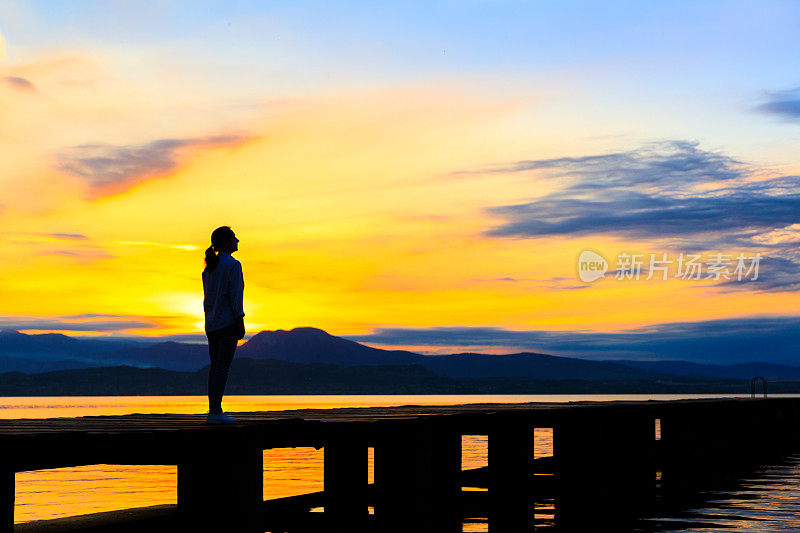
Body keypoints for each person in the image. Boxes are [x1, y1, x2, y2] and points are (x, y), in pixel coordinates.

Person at [202, 226, 245, 424]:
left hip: (211, 325)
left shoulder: (209, 268)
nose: (237, 241)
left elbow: (208, 299)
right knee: (222, 367)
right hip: (227, 324)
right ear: (227, 242)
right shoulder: (233, 265)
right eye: (234, 238)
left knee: (215, 367)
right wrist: (240, 320)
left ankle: (213, 410)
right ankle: (215, 411)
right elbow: (235, 296)